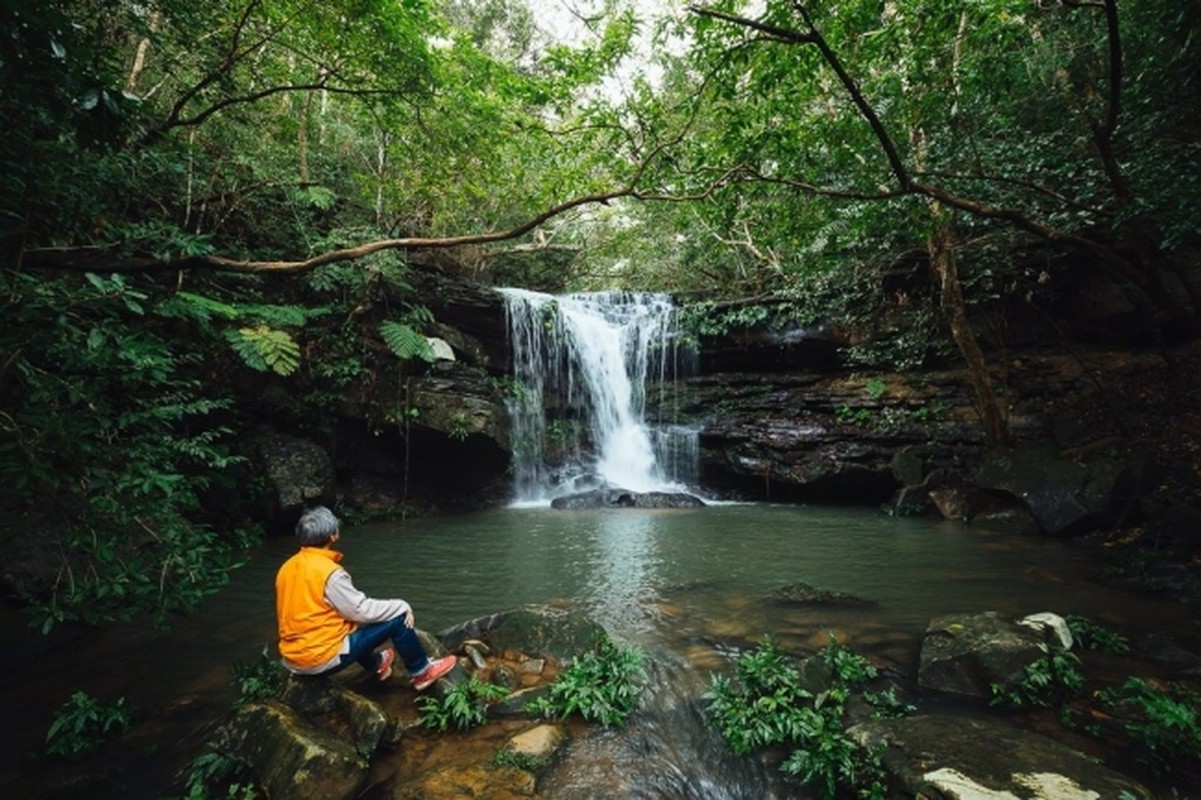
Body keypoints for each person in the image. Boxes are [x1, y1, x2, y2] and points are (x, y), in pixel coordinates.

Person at [275, 505, 456, 689]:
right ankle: (422, 671)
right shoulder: (330, 574)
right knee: (398, 619)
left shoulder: (286, 568)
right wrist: (401, 605)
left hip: (293, 657)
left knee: (346, 620)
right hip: (319, 658)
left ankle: (377, 663)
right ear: (333, 535)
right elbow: (360, 611)